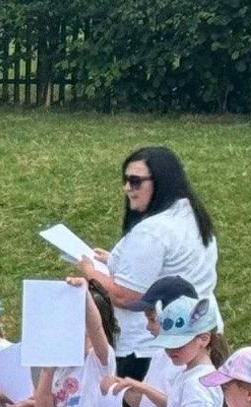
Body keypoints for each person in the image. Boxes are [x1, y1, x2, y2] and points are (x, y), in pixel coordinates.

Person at [73, 146, 219, 382]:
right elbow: (172, 267)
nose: (127, 188)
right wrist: (114, 260)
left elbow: (126, 298)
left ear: (161, 182)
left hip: (148, 349)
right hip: (192, 341)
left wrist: (90, 272)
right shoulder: (193, 217)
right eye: (126, 180)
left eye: (135, 181)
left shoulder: (152, 231)